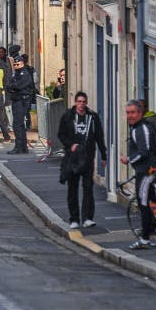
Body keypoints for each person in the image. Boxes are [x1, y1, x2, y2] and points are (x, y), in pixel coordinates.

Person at [58, 91, 107, 230]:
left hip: (87, 157)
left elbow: (99, 137)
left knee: (88, 188)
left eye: (84, 102)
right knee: (72, 189)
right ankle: (74, 219)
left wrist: (104, 155)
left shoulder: (93, 117)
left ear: (86, 103)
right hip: (72, 158)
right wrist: (70, 145)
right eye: (79, 102)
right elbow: (61, 134)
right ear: (75, 102)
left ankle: (87, 218)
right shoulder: (68, 116)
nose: (81, 104)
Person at [120, 99, 156, 250]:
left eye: (133, 112)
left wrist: (128, 159)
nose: (130, 116)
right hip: (146, 169)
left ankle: (145, 239)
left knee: (142, 202)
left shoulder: (141, 128)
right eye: (127, 113)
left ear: (140, 113)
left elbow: (144, 151)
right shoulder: (136, 127)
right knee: (151, 198)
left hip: (147, 170)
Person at [5, 54, 34, 154]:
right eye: (14, 64)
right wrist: (12, 87)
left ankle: (19, 147)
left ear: (22, 64)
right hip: (17, 101)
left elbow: (18, 86)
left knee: (17, 125)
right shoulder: (16, 74)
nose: (15, 66)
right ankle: (23, 147)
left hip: (22, 101)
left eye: (17, 64)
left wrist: (13, 87)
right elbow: (9, 85)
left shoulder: (24, 74)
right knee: (19, 125)